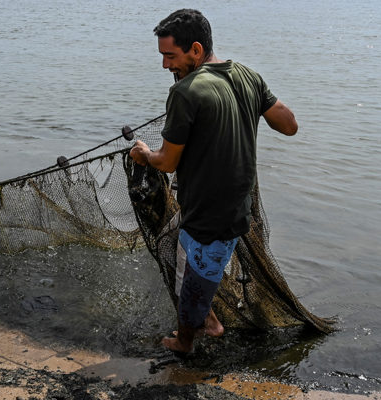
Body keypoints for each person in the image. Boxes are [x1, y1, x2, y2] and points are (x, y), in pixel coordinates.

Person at [129, 9, 298, 354]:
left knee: (193, 288)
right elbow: (289, 125)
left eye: (169, 56)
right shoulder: (247, 75)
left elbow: (167, 161)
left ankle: (187, 341)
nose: (165, 66)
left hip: (212, 217)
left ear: (195, 49)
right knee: (181, 256)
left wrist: (144, 154)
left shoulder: (185, 93)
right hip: (235, 209)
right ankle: (206, 318)